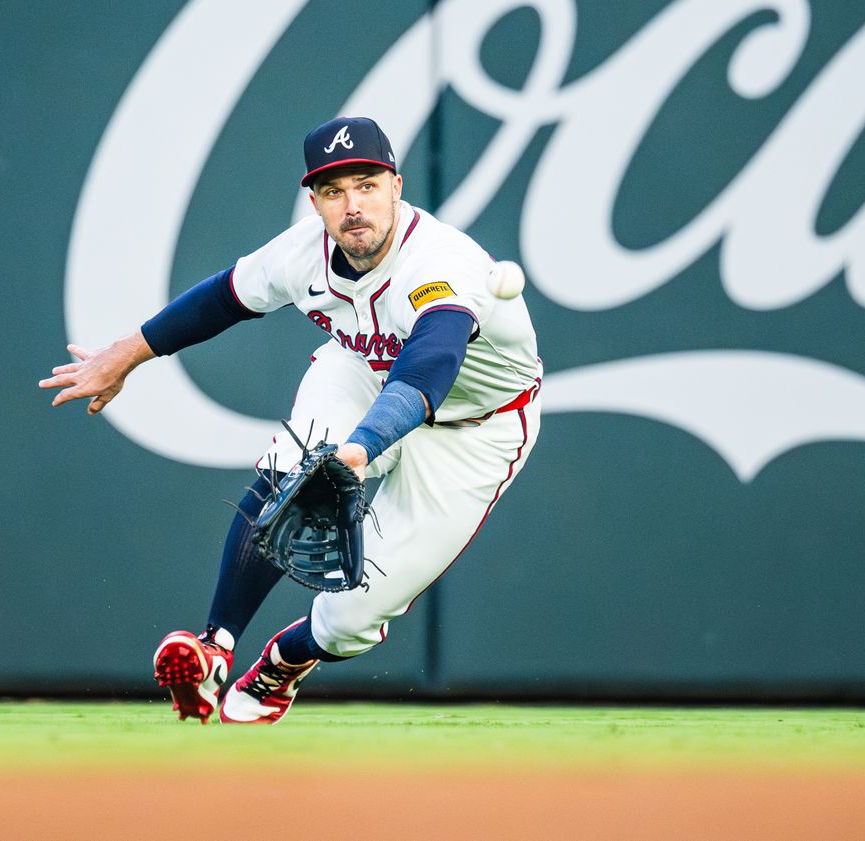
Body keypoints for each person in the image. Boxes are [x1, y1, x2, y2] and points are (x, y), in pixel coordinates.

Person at [40, 116, 541, 724]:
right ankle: (213, 647)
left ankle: (284, 662)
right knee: (296, 471)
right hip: (361, 368)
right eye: (333, 192)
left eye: (366, 184)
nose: (352, 205)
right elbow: (221, 298)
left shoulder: (439, 263)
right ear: (315, 200)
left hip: (477, 427)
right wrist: (124, 356)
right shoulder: (305, 251)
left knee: (351, 617)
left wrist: (360, 450)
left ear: (396, 186)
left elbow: (428, 368)